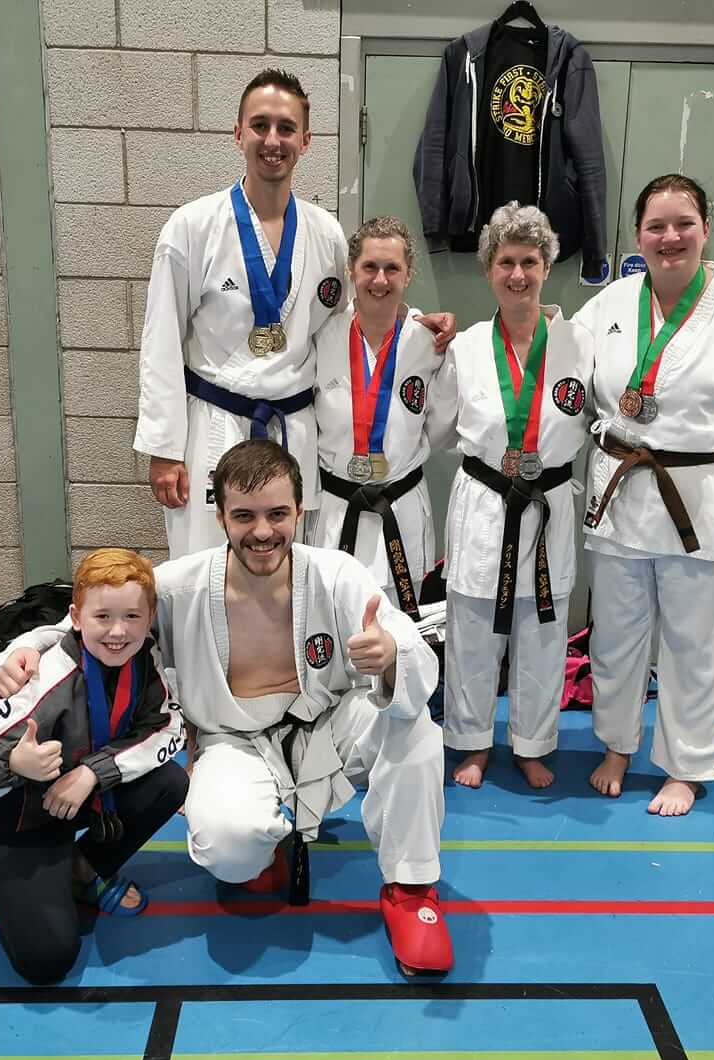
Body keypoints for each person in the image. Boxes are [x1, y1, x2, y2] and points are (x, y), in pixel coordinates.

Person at [0, 440, 454, 977]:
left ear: (299, 510)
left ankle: (410, 890)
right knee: (229, 849)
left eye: (277, 514)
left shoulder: (338, 574)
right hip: (233, 740)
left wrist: (392, 653)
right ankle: (263, 845)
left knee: (414, 727)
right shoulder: (179, 586)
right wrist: (27, 647)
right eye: (244, 516)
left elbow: (409, 647)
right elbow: (95, 620)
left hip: (330, 722)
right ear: (220, 517)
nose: (263, 531)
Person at [136, 69, 453, 558]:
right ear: (238, 133)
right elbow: (160, 340)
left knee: (292, 571)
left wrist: (414, 324)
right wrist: (164, 448)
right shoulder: (192, 227)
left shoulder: (325, 233)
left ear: (305, 141)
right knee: (207, 567)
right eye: (260, 125)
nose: (272, 140)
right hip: (216, 425)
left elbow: (350, 323)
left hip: (295, 428)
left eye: (286, 128)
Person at [572, 173, 714, 816]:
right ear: (637, 234)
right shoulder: (609, 306)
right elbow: (559, 375)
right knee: (615, 638)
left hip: (700, 499)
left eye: (683, 224)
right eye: (656, 226)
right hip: (620, 496)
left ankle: (687, 765)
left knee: (696, 642)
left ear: (706, 230)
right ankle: (616, 745)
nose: (669, 237)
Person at [0, 548, 188, 984]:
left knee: (169, 783)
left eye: (131, 617)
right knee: (47, 960)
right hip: (12, 821)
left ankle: (80, 867)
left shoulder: (144, 662)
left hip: (69, 800)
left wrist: (93, 772)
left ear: (150, 619)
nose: (117, 631)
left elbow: (166, 729)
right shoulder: (40, 679)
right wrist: (12, 763)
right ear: (75, 618)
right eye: (102, 616)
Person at [430, 202, 596, 791]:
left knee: (543, 631)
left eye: (529, 261)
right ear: (488, 270)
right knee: (473, 631)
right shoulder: (467, 347)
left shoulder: (580, 344)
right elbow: (440, 430)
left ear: (547, 266)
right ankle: (472, 742)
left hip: (548, 503)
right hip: (485, 502)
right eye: (506, 262)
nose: (518, 274)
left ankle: (532, 744)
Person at [306, 216, 455, 615]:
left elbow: (441, 427)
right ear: (351, 270)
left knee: (400, 634)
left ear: (408, 274)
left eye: (392, 268)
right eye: (369, 266)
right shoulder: (322, 337)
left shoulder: (430, 343)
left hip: (400, 510)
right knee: (334, 626)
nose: (380, 280)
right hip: (338, 509)